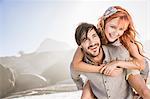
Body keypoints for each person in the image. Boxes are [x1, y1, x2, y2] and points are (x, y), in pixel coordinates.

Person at [71, 6, 150, 99]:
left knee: (143, 92)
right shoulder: (93, 37)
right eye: (112, 27)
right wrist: (103, 70)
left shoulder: (126, 42)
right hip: (103, 67)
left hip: (129, 63)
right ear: (104, 22)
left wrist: (117, 64)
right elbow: (76, 65)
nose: (116, 33)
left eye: (121, 29)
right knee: (86, 93)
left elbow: (141, 64)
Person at [71, 22, 134, 99]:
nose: (92, 42)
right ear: (80, 45)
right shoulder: (79, 66)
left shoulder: (119, 53)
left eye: (94, 36)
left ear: (99, 37)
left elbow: (142, 65)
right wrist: (83, 88)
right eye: (85, 39)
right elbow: (75, 77)